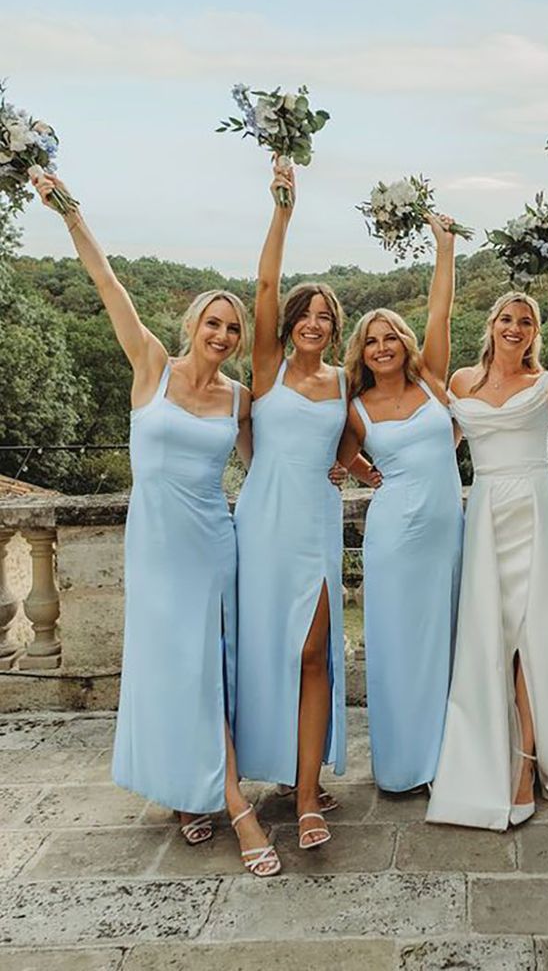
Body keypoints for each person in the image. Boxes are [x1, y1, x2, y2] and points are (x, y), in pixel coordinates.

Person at [31, 170, 278, 876]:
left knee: (208, 669)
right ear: (191, 326)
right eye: (214, 324)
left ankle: (228, 798)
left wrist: (346, 470)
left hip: (212, 543)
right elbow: (109, 283)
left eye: (232, 328)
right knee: (169, 667)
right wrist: (71, 214)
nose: (224, 335)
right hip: (155, 543)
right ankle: (190, 791)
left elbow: (267, 469)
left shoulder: (240, 401)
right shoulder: (151, 368)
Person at [426, 280, 548, 830]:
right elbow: (436, 433)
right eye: (507, 319)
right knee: (494, 638)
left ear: (536, 334)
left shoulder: (547, 381)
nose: (515, 328)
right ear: (492, 325)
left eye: (527, 322)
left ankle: (528, 762)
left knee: (538, 639)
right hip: (486, 512)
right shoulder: (463, 381)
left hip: (537, 507)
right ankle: (494, 754)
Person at [233, 163, 347, 850]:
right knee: (262, 652)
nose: (311, 323)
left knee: (313, 654)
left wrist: (366, 469)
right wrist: (283, 210)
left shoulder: (343, 385)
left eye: (324, 317)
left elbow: (389, 436)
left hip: (317, 527)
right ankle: (270, 774)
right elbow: (266, 287)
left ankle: (306, 794)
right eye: (303, 316)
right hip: (262, 525)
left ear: (335, 329)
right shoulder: (267, 370)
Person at [336, 213, 463, 793]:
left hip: (447, 533)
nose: (383, 347)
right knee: (398, 645)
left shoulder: (433, 381)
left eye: (391, 337)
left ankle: (447, 760)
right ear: (361, 352)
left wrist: (445, 248)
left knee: (448, 641)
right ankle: (402, 766)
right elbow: (343, 460)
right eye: (372, 340)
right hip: (393, 537)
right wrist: (373, 475)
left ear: (403, 344)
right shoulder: (356, 407)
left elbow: (441, 311)